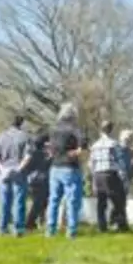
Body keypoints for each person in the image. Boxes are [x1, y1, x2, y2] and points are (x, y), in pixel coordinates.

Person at [46, 102, 85, 238]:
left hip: (54, 167)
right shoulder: (74, 129)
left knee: (53, 200)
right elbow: (82, 146)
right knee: (72, 200)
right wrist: (74, 153)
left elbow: (45, 145)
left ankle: (50, 230)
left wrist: (53, 153)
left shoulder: (53, 129)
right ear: (73, 115)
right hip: (69, 167)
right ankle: (71, 231)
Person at [0, 114, 33, 237]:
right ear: (21, 123)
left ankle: (2, 228)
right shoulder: (25, 137)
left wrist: (1, 169)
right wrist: (19, 169)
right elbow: (28, 156)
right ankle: (18, 228)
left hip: (4, 170)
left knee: (4, 201)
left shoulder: (2, 136)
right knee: (19, 201)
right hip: (18, 170)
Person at [89, 120, 129, 233]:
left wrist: (93, 177)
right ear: (111, 130)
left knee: (101, 202)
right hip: (110, 174)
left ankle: (102, 227)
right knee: (118, 201)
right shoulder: (113, 144)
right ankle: (121, 225)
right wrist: (123, 174)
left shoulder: (95, 145)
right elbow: (120, 161)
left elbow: (91, 163)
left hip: (98, 175)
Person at [25, 127, 51, 230]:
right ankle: (30, 222)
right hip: (40, 180)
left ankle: (39, 220)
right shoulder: (41, 154)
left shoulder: (33, 152)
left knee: (40, 202)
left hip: (32, 179)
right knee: (38, 203)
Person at [115, 129, 133, 197]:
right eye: (126, 139)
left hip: (126, 177)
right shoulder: (116, 148)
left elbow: (129, 166)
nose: (129, 141)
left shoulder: (129, 151)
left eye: (130, 139)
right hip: (118, 176)